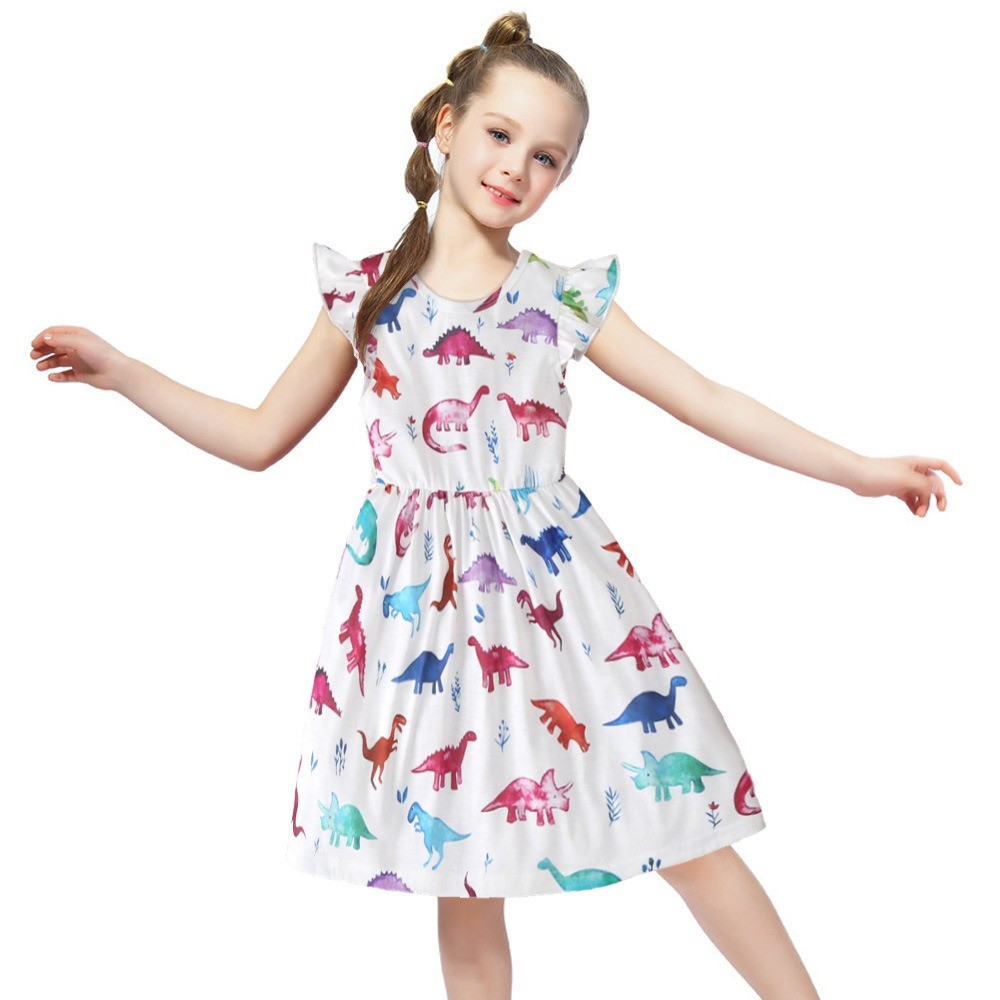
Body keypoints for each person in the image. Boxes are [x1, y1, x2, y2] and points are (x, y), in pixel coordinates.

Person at [29, 10, 960, 1000]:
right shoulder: (366, 298)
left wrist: (858, 469)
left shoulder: (561, 299)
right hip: (420, 621)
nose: (517, 166)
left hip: (566, 607)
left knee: (689, 831)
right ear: (446, 123)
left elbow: (707, 399)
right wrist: (123, 372)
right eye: (500, 134)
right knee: (464, 874)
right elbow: (258, 437)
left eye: (547, 156)